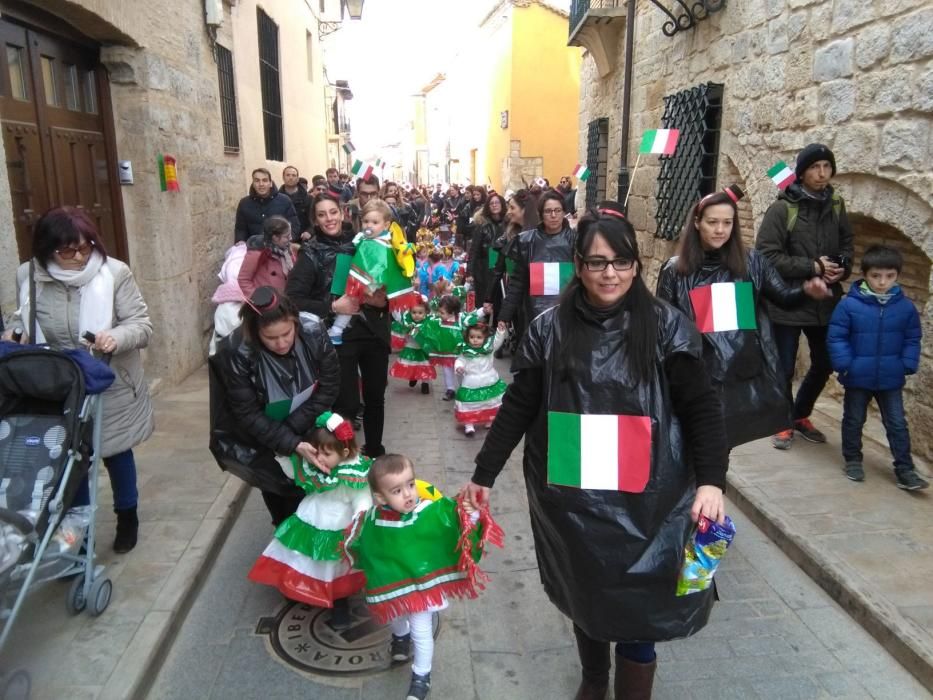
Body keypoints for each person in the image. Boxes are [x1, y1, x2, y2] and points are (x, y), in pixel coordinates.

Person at [462, 204, 729, 700]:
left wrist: (711, 480)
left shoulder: (668, 328)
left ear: (635, 265)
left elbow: (702, 409)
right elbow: (520, 405)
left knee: (638, 601)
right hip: (571, 492)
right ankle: (593, 676)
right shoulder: (549, 328)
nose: (610, 273)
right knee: (585, 588)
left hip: (650, 494)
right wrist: (484, 474)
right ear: (579, 266)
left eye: (621, 262)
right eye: (598, 262)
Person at [6, 207, 153, 553]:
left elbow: (141, 324)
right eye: (67, 251)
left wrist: (116, 336)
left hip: (109, 380)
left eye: (85, 247)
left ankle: (127, 516)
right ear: (47, 250)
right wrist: (16, 334)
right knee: (70, 460)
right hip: (57, 385)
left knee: (116, 453)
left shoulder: (115, 272)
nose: (78, 257)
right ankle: (78, 533)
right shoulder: (29, 275)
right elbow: (21, 318)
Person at [655, 186, 830, 448]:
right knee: (695, 445)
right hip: (697, 375)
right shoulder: (675, 270)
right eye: (712, 222)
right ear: (697, 223)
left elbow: (782, 296)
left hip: (739, 376)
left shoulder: (752, 262)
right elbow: (664, 328)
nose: (720, 230)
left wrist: (806, 291)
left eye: (727, 222)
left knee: (722, 446)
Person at [345, 454, 502, 700]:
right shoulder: (372, 520)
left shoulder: (428, 511)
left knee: (422, 631)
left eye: (410, 484)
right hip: (393, 586)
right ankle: (399, 636)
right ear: (380, 497)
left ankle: (421, 676)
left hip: (422, 588)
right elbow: (364, 545)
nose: (408, 494)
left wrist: (470, 513)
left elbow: (453, 519)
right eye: (397, 490)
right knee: (394, 615)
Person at [210, 287, 340, 526]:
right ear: (254, 331)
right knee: (281, 501)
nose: (281, 343)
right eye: (270, 337)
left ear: (296, 324)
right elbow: (246, 412)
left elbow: (330, 385)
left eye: (287, 334)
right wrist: (289, 442)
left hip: (308, 425)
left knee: (317, 500)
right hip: (264, 439)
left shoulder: (313, 332)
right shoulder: (237, 352)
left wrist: (292, 430)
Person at [755, 143, 854, 450]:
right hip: (788, 299)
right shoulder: (783, 208)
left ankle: (800, 415)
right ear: (802, 172)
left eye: (826, 167)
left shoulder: (836, 204)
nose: (822, 173)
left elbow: (848, 242)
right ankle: (782, 422)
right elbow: (766, 255)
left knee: (825, 362)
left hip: (824, 300)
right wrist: (811, 266)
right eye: (814, 167)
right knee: (784, 367)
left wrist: (843, 267)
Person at [285, 193, 391, 458]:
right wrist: (333, 307)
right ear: (315, 220)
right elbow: (292, 300)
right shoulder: (310, 253)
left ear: (343, 213)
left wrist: (383, 301)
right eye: (321, 215)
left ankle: (375, 451)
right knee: (346, 403)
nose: (329, 219)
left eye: (332, 212)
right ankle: (346, 458)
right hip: (337, 339)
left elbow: (388, 281)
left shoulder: (364, 242)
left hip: (373, 332)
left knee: (376, 395)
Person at [248, 412, 372, 628]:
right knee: (303, 555)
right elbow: (295, 474)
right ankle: (299, 586)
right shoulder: (316, 465)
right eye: (318, 452)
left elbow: (362, 498)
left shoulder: (354, 473)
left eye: (326, 453)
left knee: (333, 565)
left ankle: (338, 602)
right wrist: (283, 455)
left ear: (344, 452)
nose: (320, 458)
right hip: (310, 516)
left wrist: (359, 519)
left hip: (338, 525)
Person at [826, 246, 927, 490]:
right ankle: (853, 459)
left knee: (896, 423)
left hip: (891, 376)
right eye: (876, 276)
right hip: (857, 375)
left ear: (897, 276)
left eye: (890, 276)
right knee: (853, 419)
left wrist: (907, 363)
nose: (882, 282)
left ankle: (905, 469)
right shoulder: (849, 305)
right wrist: (845, 364)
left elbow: (912, 338)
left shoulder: (904, 308)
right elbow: (837, 337)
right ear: (865, 274)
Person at [497, 189, 574, 341]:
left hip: (567, 315)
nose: (553, 215)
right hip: (534, 316)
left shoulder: (577, 241)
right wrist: (504, 316)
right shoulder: (526, 242)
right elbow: (517, 282)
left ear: (564, 212)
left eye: (557, 210)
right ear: (540, 214)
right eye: (548, 211)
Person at [415, 294, 485, 401]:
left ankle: (464, 388)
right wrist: (416, 328)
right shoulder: (438, 320)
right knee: (447, 370)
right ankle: (450, 389)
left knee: (461, 371)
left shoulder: (460, 318)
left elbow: (472, 316)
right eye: (439, 311)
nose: (439, 314)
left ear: (452, 312)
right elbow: (427, 324)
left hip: (459, 352)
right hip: (446, 352)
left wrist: (483, 311)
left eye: (442, 312)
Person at [484, 190, 535, 335]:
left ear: (524, 210)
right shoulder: (509, 235)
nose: (509, 212)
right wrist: (489, 298)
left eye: (513, 208)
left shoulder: (538, 237)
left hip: (533, 300)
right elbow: (498, 268)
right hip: (515, 296)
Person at [454, 322, 507, 437]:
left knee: (490, 401)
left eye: (479, 337)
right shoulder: (465, 351)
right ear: (467, 337)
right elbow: (460, 360)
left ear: (485, 338)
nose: (475, 340)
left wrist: (500, 331)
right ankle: (469, 424)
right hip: (471, 382)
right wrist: (459, 367)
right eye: (472, 337)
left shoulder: (488, 349)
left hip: (489, 379)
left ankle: (490, 419)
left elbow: (497, 341)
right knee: (470, 403)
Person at [234, 168, 300, 243]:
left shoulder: (284, 201)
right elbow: (240, 229)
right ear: (253, 183)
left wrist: (286, 241)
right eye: (257, 180)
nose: (261, 184)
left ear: (270, 183)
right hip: (253, 249)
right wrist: (240, 241)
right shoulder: (244, 203)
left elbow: (294, 226)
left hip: (280, 248)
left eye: (265, 180)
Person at [237, 215, 295, 301]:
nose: (291, 238)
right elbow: (243, 279)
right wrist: (259, 299)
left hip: (285, 301)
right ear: (275, 238)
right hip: (267, 304)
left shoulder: (287, 250)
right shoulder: (256, 254)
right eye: (286, 236)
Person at [469, 193, 507, 323]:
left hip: (503, 266)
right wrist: (470, 271)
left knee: (500, 298)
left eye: (497, 203)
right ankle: (481, 330)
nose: (495, 205)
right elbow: (474, 249)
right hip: (484, 268)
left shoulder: (508, 223)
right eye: (492, 203)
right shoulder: (482, 225)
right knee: (484, 299)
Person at [389, 299, 435, 395]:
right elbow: (400, 324)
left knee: (424, 366)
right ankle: (413, 377)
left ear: (425, 313)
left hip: (423, 350)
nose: (417, 315)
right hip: (410, 347)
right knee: (412, 364)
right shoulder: (408, 323)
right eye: (414, 312)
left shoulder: (429, 324)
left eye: (420, 313)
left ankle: (425, 384)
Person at [281, 165, 312, 240]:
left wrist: (309, 232)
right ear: (283, 178)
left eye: (293, 175)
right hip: (282, 239)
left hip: (303, 239)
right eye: (288, 175)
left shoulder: (308, 198)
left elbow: (313, 219)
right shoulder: (277, 199)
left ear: (297, 178)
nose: (291, 178)